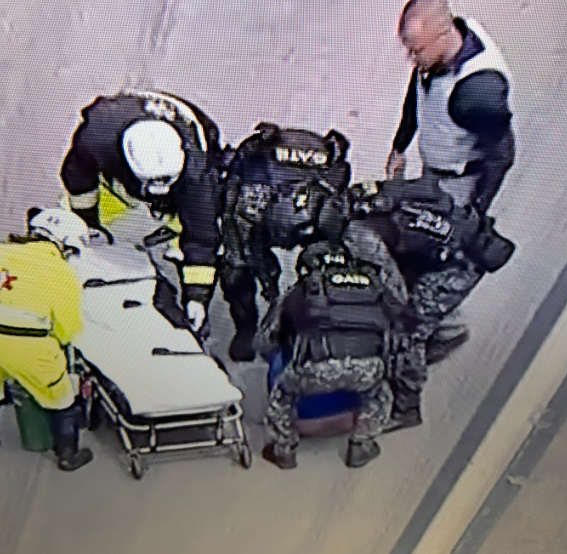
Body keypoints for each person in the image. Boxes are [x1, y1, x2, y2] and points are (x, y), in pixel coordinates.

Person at [346, 177, 515, 431]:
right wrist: (377, 188)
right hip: (426, 255)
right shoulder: (409, 199)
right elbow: (424, 188)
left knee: (409, 332)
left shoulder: (373, 233)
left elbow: (401, 289)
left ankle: (407, 408)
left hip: (454, 268)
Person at [60, 90, 230, 337]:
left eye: (166, 182)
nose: (160, 190)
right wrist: (87, 223)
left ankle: (174, 231)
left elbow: (202, 237)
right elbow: (77, 178)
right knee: (93, 209)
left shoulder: (196, 173)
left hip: (188, 132)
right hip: (124, 135)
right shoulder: (96, 139)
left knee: (197, 211)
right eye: (153, 184)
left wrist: (196, 298)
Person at [255, 241, 404, 469]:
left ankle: (284, 451)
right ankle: (361, 446)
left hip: (314, 369)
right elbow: (400, 326)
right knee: (380, 396)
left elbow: (264, 341)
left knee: (282, 396)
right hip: (366, 368)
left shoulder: (300, 290)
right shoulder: (375, 287)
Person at [221, 122, 351, 361]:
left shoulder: (327, 199)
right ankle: (246, 329)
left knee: (330, 268)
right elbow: (239, 245)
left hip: (309, 215)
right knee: (235, 269)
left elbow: (333, 246)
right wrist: (269, 285)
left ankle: (312, 331)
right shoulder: (248, 197)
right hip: (262, 215)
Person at [386, 0, 515, 216]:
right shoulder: (435, 55)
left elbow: (501, 156)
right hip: (434, 169)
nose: (412, 59)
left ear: (443, 35)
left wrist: (472, 213)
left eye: (417, 50)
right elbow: (416, 94)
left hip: (458, 186)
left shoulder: (476, 93)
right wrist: (399, 147)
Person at [0, 208, 93, 471]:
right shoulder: (61, 272)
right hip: (30, 345)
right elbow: (68, 327)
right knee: (61, 398)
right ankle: (68, 456)